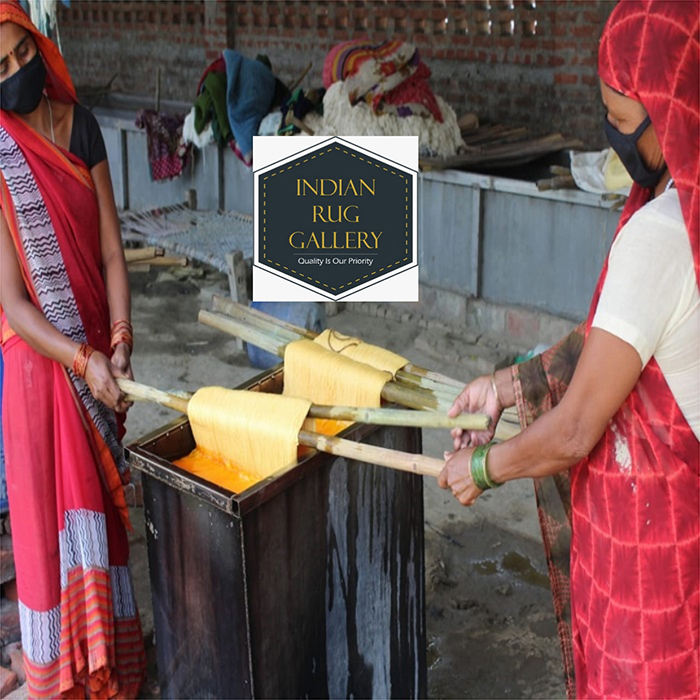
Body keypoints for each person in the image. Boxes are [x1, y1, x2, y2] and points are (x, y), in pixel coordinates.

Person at [440, 1, 699, 698]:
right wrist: (507, 384)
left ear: (670, 111)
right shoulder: (687, 211)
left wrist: (483, 468)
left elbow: (578, 428)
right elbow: (626, 341)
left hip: (653, 559)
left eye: (618, 117)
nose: (610, 132)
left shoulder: (661, 236)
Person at [0, 1, 145, 696]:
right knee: (49, 524)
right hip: (38, 366)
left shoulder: (81, 127)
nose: (15, 71)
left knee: (98, 518)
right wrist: (80, 359)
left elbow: (113, 252)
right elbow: (12, 302)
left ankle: (109, 667)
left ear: (40, 45)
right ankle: (60, 676)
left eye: (22, 54)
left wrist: (118, 337)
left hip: (96, 346)